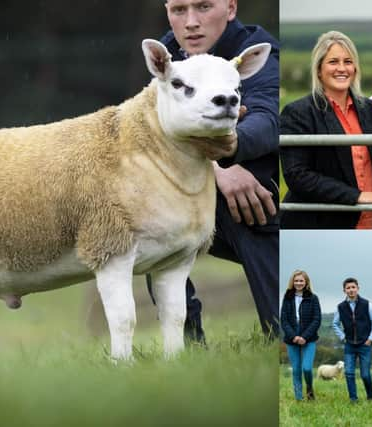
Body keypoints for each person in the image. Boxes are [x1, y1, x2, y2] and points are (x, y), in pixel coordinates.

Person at [147, 0, 280, 341]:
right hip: (187, 199)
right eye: (179, 10)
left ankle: (278, 336)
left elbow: (269, 118)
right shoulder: (167, 58)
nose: (191, 22)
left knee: (251, 207)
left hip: (257, 207)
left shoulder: (256, 52)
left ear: (231, 8)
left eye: (203, 7)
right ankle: (186, 349)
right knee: (149, 220)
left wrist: (231, 150)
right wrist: (218, 166)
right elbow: (152, 130)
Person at [280, 30, 372, 229]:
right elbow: (297, 176)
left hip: (371, 222)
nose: (342, 68)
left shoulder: (370, 110)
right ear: (319, 69)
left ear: (355, 68)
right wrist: (356, 197)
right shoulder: (297, 112)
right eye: (333, 62)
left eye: (348, 61)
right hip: (321, 224)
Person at [332, 277, 372, 402]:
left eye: (353, 287)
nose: (351, 290)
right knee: (349, 373)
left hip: (365, 344)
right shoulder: (340, 307)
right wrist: (343, 337)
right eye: (348, 288)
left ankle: (370, 397)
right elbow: (335, 324)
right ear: (344, 290)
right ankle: (353, 399)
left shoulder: (366, 304)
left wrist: (371, 339)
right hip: (349, 345)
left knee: (365, 374)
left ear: (358, 288)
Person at [281, 270, 321, 401]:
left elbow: (317, 319)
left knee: (307, 368)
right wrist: (293, 336)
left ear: (306, 282)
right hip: (291, 337)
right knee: (296, 369)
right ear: (292, 282)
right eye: (296, 280)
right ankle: (299, 398)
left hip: (309, 337)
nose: (298, 283)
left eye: (301, 280)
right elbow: (284, 320)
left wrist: (304, 336)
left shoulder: (313, 298)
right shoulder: (287, 298)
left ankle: (309, 389)